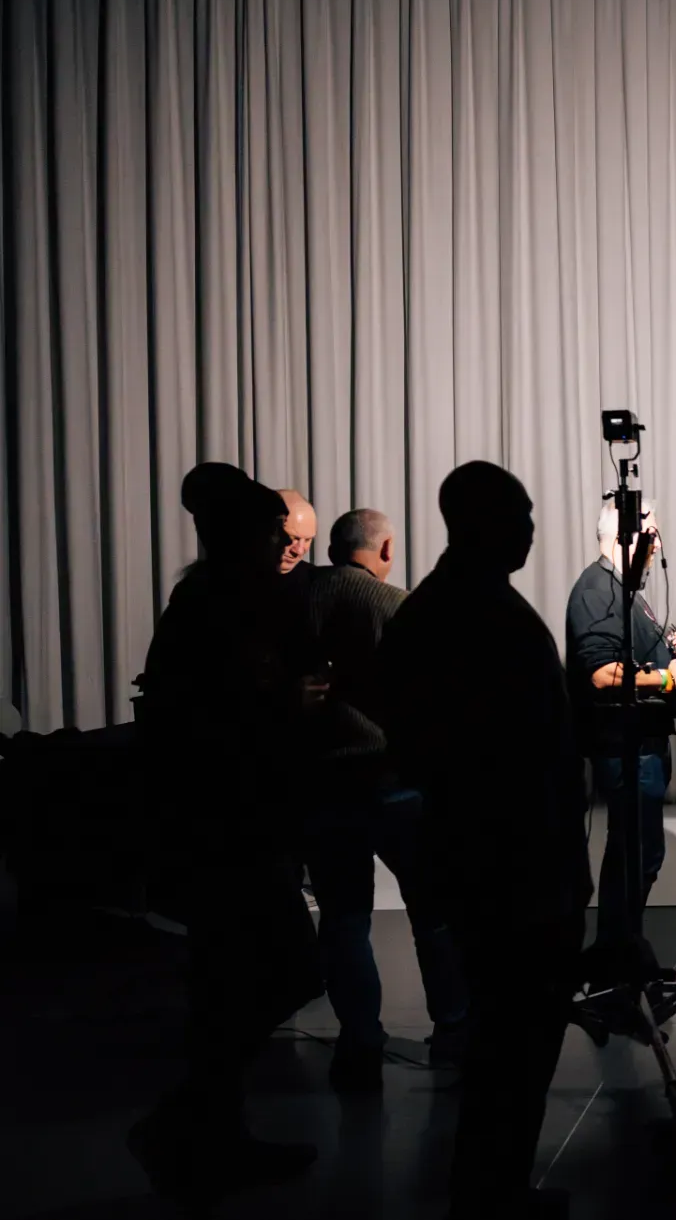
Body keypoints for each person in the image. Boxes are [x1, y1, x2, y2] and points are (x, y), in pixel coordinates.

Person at [377, 463, 590, 1220]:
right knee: (511, 1044)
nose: (533, 528)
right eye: (521, 514)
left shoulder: (457, 604)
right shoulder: (462, 611)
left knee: (513, 1047)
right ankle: (490, 1194)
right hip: (506, 868)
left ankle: (495, 1187)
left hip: (506, 860)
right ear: (478, 520)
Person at [127, 464, 326, 1205]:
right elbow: (202, 720)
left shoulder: (228, 601)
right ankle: (191, 1126)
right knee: (269, 975)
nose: (285, 542)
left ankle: (206, 1134)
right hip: (225, 832)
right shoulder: (214, 604)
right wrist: (283, 701)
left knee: (232, 988)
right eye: (274, 531)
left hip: (238, 826)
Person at [303, 508, 469, 1092]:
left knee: (345, 920)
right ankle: (452, 1030)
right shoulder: (396, 606)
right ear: (387, 547)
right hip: (392, 781)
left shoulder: (298, 601)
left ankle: (360, 1039)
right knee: (435, 912)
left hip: (323, 785)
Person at [565, 499, 676, 962]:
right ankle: (617, 960)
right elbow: (602, 672)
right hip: (625, 747)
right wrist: (669, 677)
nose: (659, 542)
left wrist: (669, 643)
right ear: (626, 536)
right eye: (653, 533)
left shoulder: (624, 589)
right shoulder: (597, 589)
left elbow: (627, 650)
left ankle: (620, 952)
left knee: (636, 857)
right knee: (634, 858)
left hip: (641, 743)